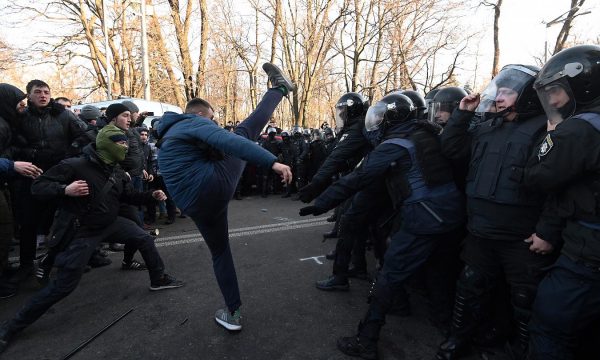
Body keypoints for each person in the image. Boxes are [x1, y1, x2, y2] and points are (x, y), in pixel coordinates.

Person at [300, 93, 465, 359]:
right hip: (450, 214)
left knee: (389, 275)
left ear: (392, 119)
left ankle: (366, 340)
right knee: (439, 273)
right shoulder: (426, 133)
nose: (375, 123)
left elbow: (359, 177)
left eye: (380, 117)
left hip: (422, 217)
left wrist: (321, 202)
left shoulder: (394, 144)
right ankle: (444, 328)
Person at [0, 124, 184, 353]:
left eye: (127, 143)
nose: (126, 147)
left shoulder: (115, 171)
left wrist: (151, 195)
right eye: (121, 142)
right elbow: (38, 187)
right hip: (82, 231)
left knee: (144, 238)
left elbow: (128, 196)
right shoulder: (74, 165)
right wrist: (65, 190)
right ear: (106, 145)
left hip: (109, 224)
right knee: (63, 286)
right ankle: (10, 328)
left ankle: (159, 279)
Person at [156, 62, 294, 331]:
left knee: (220, 253)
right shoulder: (193, 121)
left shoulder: (169, 135)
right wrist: (272, 162)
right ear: (200, 115)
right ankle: (279, 89)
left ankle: (233, 313)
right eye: (213, 119)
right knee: (243, 132)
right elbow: (230, 142)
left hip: (196, 205)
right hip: (211, 186)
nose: (216, 124)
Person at [435, 65, 559, 360]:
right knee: (470, 288)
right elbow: (451, 149)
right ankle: (457, 341)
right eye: (499, 90)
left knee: (523, 299)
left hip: (522, 236)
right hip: (480, 232)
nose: (499, 97)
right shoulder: (488, 127)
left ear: (528, 96)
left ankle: (521, 350)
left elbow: (557, 186)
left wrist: (548, 231)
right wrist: (463, 115)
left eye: (507, 92)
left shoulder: (546, 130)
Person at [524, 44, 600, 360]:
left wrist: (552, 135)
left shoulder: (579, 129)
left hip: (587, 254)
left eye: (557, 91)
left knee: (551, 328)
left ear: (582, 84)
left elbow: (537, 177)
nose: (552, 101)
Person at [9, 80, 86, 280]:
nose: (43, 95)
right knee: (29, 223)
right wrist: (28, 152)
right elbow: (11, 145)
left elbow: (85, 135)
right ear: (29, 96)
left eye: (46, 92)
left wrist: (71, 154)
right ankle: (26, 265)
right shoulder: (20, 117)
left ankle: (64, 260)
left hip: (60, 174)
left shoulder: (63, 114)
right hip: (31, 176)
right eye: (38, 92)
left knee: (63, 220)